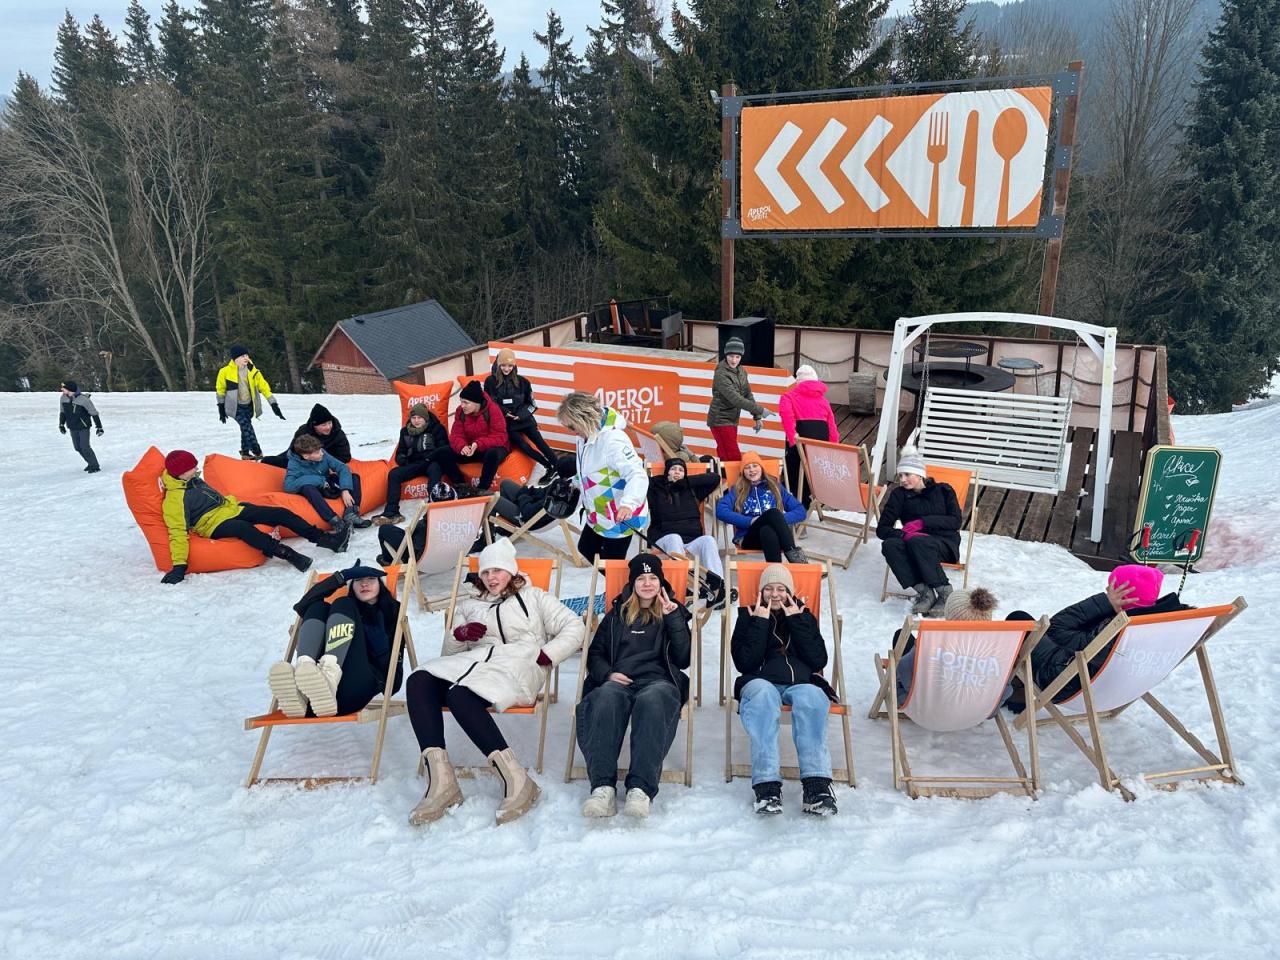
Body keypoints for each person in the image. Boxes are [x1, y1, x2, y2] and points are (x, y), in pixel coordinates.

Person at [406, 538, 585, 826]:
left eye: (498, 571)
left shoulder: (534, 597)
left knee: (459, 695)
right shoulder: (470, 605)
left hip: (519, 664)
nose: (491, 578)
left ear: (511, 572)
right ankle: (441, 783)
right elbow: (448, 656)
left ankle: (517, 779)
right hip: (475, 663)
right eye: (486, 572)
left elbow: (574, 626)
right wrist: (459, 635)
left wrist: (547, 654)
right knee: (419, 681)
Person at [576, 554, 692, 819]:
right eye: (641, 578)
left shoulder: (672, 611)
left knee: (653, 702)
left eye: (653, 578)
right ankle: (603, 788)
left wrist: (673, 618)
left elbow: (684, 659)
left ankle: (640, 789)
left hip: (659, 682)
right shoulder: (617, 615)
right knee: (604, 699)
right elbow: (595, 654)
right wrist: (608, 674)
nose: (648, 583)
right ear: (632, 583)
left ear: (661, 582)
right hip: (619, 681)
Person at [731, 563, 837, 816]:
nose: (775, 594)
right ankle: (767, 786)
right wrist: (760, 621)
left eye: (781, 589)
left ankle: (817, 786)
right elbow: (744, 664)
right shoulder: (748, 616)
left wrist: (796, 621)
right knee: (762, 697)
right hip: (760, 681)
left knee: (813, 698)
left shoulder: (804, 617)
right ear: (761, 592)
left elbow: (818, 661)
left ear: (790, 592)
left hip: (802, 682)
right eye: (769, 589)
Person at [1009, 565, 1186, 711]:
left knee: (1020, 620)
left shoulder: (1116, 630)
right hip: (1116, 689)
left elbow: (1055, 629)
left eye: (1111, 588)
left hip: (1065, 682)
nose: (1107, 590)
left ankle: (1015, 693)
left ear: (1122, 596)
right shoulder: (1158, 625)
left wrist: (1104, 603)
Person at [158, 449, 349, 583]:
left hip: (231, 509)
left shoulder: (193, 480)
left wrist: (236, 505)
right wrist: (179, 567)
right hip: (211, 525)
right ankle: (288, 554)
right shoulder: (174, 499)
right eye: (192, 467)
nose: (196, 469)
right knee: (243, 529)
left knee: (279, 513)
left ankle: (326, 540)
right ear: (180, 472)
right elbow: (177, 531)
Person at [268, 560, 405, 719]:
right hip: (316, 701)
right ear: (352, 586)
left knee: (343, 603)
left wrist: (382, 653)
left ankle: (329, 678)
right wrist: (342, 577)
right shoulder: (340, 614)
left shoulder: (393, 611)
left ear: (381, 584)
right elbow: (302, 606)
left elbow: (394, 685)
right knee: (318, 607)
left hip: (353, 692)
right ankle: (305, 672)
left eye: (371, 578)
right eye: (358, 579)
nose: (364, 584)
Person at [556, 391, 649, 562]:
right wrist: (575, 482)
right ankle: (618, 578)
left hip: (620, 515)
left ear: (584, 419)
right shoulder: (584, 435)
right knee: (586, 548)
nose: (572, 432)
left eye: (572, 427)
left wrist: (628, 504)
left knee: (611, 565)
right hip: (598, 511)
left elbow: (637, 474)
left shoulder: (613, 441)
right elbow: (589, 466)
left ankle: (629, 580)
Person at [877, 446, 962, 616]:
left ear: (920, 474)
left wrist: (923, 522)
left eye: (907, 474)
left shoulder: (943, 490)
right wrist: (903, 534)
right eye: (900, 475)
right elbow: (882, 529)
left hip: (944, 543)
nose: (902, 480)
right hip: (913, 542)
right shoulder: (899, 495)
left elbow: (955, 521)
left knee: (919, 541)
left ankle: (945, 593)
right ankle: (925, 592)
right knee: (890, 545)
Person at [894, 587, 1007, 707]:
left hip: (925, 706)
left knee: (901, 637)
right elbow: (1005, 689)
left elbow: (904, 674)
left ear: (950, 616)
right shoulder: (996, 651)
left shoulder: (931, 644)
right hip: (977, 710)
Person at [647, 457, 725, 606]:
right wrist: (663, 481)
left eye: (681, 470)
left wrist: (686, 482)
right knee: (674, 538)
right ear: (667, 472)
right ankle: (681, 586)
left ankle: (716, 587)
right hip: (664, 539)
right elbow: (642, 481)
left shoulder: (692, 489)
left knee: (709, 540)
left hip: (691, 540)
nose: (677, 472)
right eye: (673, 469)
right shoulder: (656, 489)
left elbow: (715, 478)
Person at [375, 403, 467, 525]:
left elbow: (444, 449)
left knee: (434, 474)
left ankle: (433, 509)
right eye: (413, 418)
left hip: (433, 461)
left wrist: (430, 457)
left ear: (426, 418)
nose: (416, 421)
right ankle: (391, 512)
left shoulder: (436, 429)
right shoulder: (405, 431)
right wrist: (404, 460)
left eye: (419, 418)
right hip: (415, 463)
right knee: (394, 474)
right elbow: (400, 452)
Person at [715, 451, 807, 563]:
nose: (751, 470)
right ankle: (798, 561)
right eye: (747, 467)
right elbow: (721, 510)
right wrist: (749, 521)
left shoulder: (775, 487)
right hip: (749, 537)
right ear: (743, 472)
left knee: (768, 529)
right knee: (773, 513)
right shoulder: (738, 489)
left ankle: (775, 571)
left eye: (755, 466)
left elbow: (801, 511)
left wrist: (777, 520)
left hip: (773, 534)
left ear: (761, 468)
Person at [484, 348, 557, 471]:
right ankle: (548, 466)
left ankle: (559, 467)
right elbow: (489, 403)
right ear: (498, 364)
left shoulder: (523, 382)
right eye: (503, 365)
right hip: (507, 424)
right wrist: (505, 413)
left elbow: (532, 404)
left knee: (541, 444)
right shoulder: (490, 382)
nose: (506, 369)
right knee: (525, 447)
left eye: (510, 366)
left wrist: (521, 415)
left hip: (525, 420)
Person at [779, 365, 839, 507]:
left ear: (798, 382)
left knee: (792, 473)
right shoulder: (824, 401)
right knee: (810, 474)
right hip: (820, 448)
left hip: (800, 443)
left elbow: (787, 417)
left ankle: (793, 505)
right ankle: (805, 503)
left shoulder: (788, 397)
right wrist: (833, 447)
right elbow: (832, 427)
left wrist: (793, 439)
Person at [284, 435, 368, 531]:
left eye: (320, 450)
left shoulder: (322, 453)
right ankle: (335, 521)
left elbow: (342, 467)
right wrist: (320, 480)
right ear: (306, 456)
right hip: (316, 489)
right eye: (317, 452)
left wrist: (345, 489)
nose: (321, 453)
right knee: (307, 488)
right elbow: (288, 486)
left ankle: (351, 513)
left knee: (354, 477)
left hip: (328, 483)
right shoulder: (294, 464)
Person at [215, 346, 283, 460]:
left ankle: (245, 453)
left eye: (247, 355)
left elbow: (264, 387)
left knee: (245, 428)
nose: (246, 358)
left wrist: (273, 404)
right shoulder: (225, 372)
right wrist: (221, 408)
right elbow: (220, 390)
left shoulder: (253, 370)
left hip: (249, 406)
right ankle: (257, 451)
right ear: (235, 358)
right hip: (235, 407)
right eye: (243, 356)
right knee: (247, 427)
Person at [707, 336, 767, 462]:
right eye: (731, 356)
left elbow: (747, 394)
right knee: (732, 456)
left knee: (726, 453)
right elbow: (736, 399)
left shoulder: (741, 371)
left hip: (732, 419)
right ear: (725, 354)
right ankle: (733, 475)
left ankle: (724, 474)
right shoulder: (721, 373)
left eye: (737, 357)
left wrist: (757, 416)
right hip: (720, 419)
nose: (734, 360)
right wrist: (760, 410)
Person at [450, 380, 510, 493]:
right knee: (442, 452)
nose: (462, 406)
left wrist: (478, 444)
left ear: (476, 402)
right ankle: (462, 487)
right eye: (461, 402)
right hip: (471, 449)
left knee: (492, 454)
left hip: (493, 448)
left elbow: (500, 436)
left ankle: (482, 489)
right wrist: (462, 446)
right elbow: (456, 434)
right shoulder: (460, 411)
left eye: (466, 402)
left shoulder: (493, 409)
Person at [260, 403, 351, 468]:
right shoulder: (304, 431)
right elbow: (293, 451)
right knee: (269, 461)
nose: (328, 427)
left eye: (329, 423)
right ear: (315, 425)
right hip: (302, 460)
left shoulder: (338, 433)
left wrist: (323, 462)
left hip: (325, 461)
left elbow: (345, 456)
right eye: (323, 425)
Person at [58, 380, 103, 473]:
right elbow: (62, 412)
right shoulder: (63, 398)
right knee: (77, 447)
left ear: (70, 389)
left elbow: (94, 413)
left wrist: (99, 427)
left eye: (64, 388)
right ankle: (90, 463)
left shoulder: (84, 400)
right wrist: (61, 424)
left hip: (83, 426)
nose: (62, 390)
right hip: (72, 426)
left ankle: (95, 466)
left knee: (85, 447)